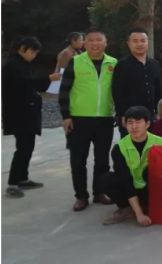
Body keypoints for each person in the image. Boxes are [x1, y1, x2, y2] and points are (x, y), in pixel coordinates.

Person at [59, 28, 118, 212]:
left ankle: (99, 192)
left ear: (106, 43)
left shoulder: (113, 63)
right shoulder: (76, 62)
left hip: (105, 118)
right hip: (79, 119)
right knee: (78, 159)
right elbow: (64, 90)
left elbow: (118, 90)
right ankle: (81, 196)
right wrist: (66, 116)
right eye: (91, 40)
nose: (95, 43)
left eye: (99, 40)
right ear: (85, 44)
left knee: (102, 159)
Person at [2, 36, 62, 198]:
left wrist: (48, 80)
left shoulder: (25, 64)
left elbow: (36, 84)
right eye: (32, 51)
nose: (34, 55)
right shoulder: (13, 65)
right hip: (19, 114)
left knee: (28, 147)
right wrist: (48, 78)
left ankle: (23, 178)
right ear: (23, 48)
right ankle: (13, 184)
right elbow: (24, 83)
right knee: (22, 148)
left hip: (28, 113)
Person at [100, 106, 162, 226]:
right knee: (105, 178)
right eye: (130, 122)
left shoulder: (161, 143)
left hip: (150, 190)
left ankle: (151, 206)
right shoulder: (119, 148)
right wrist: (139, 214)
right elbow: (125, 180)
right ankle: (127, 208)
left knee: (151, 171)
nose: (134, 127)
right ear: (125, 124)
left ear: (147, 124)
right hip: (130, 189)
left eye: (138, 122)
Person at [112, 27, 162, 137]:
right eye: (135, 41)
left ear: (148, 42)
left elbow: (158, 89)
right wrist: (122, 114)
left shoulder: (154, 64)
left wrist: (158, 112)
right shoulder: (122, 65)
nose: (139, 44)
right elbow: (117, 92)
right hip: (130, 117)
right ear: (129, 44)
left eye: (142, 41)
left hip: (150, 117)